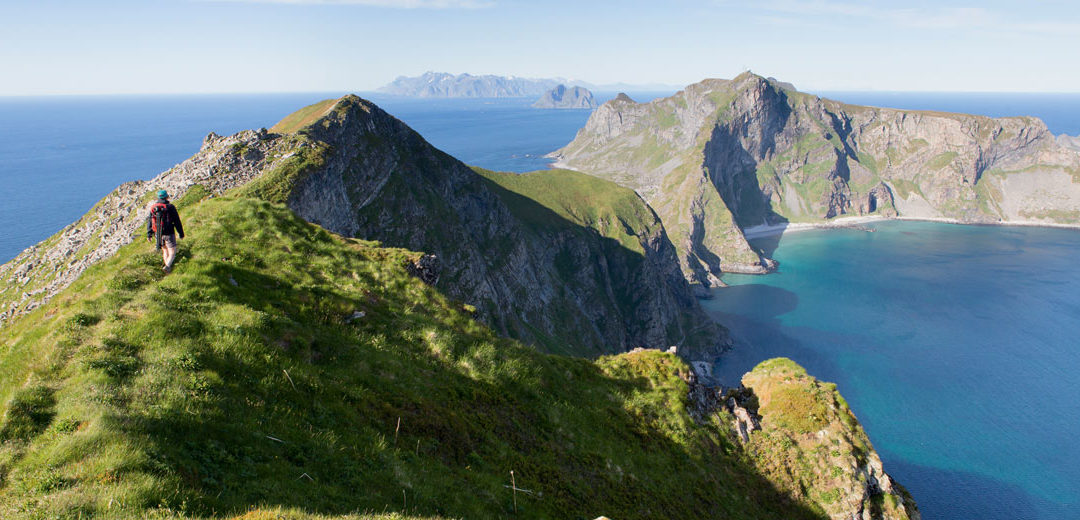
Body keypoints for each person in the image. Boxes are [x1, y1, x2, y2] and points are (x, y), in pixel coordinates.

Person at [146, 189, 185, 273]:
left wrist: (149, 234)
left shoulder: (153, 207)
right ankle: (167, 266)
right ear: (166, 196)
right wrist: (181, 233)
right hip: (169, 232)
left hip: (158, 233)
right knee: (172, 252)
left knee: (165, 250)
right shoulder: (170, 207)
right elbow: (177, 221)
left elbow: (150, 221)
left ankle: (167, 268)